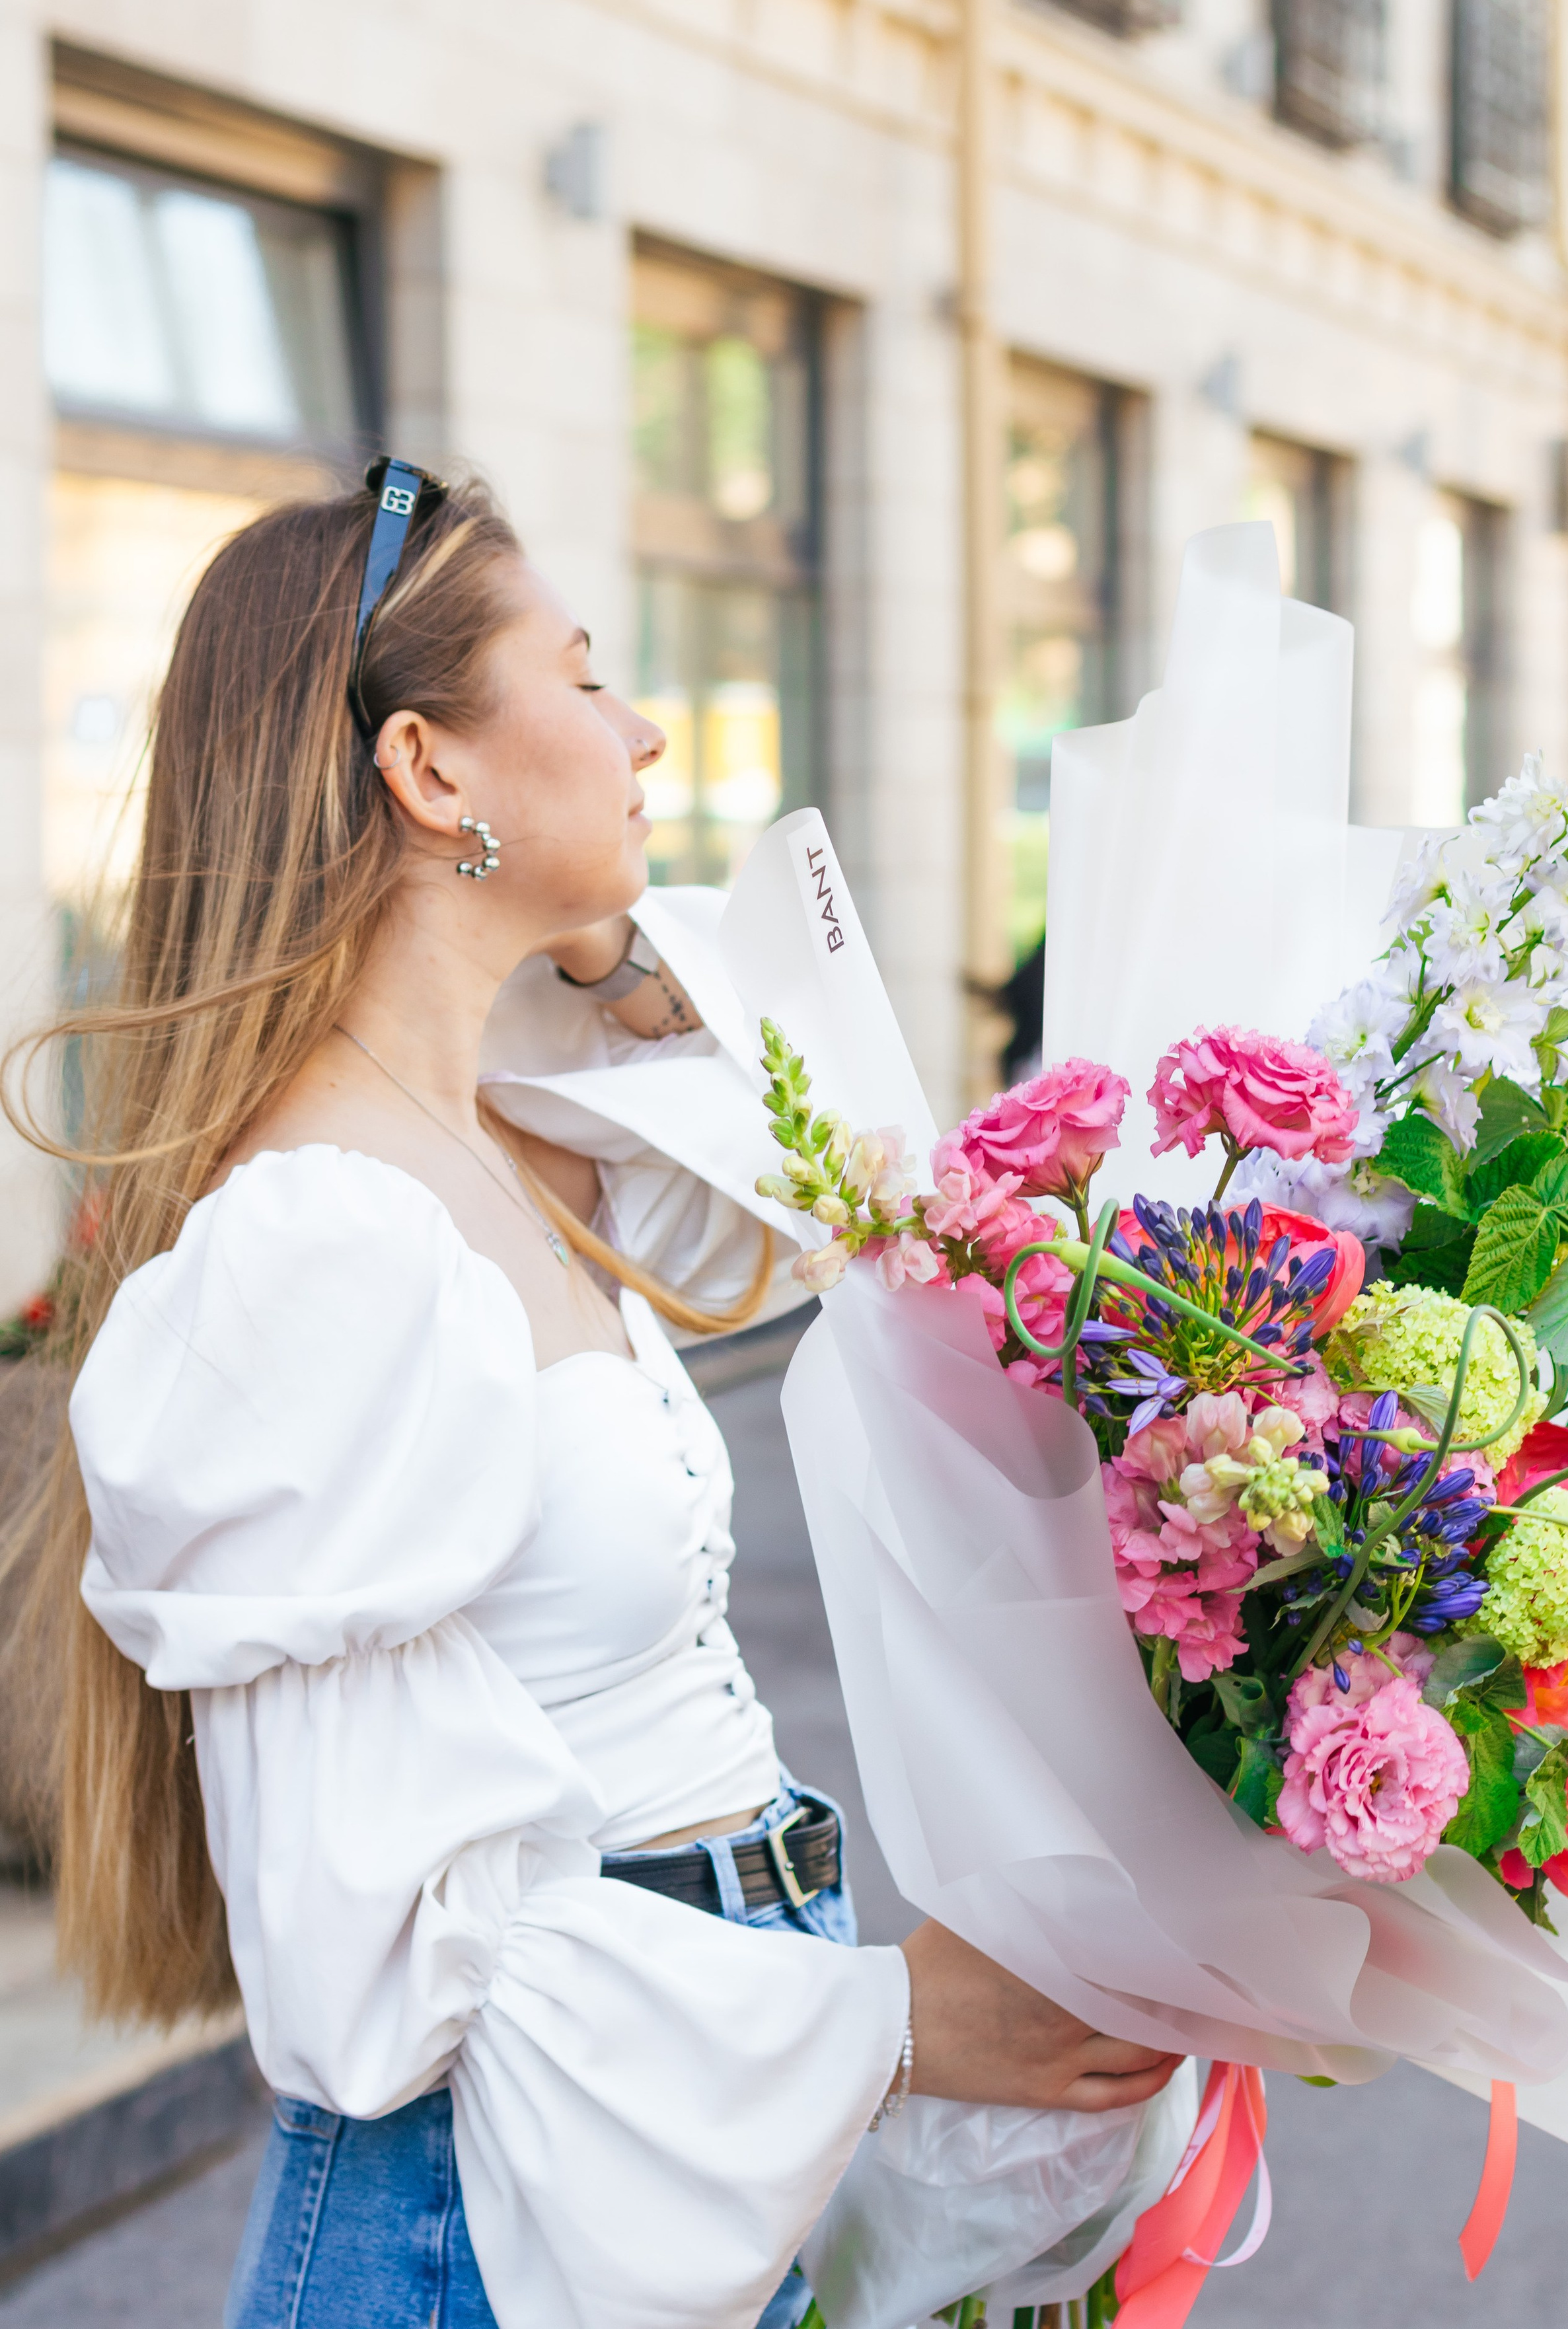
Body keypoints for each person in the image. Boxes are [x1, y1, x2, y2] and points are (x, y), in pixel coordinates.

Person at [3, 464, 1183, 2329]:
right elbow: (374, 1983)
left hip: (655, 2153)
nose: (642, 731)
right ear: (427, 769)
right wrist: (885, 2025)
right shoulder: (322, 1241)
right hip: (489, 2219)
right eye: (580, 676)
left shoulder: (520, 1136)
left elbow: (814, 1166)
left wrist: (602, 948)